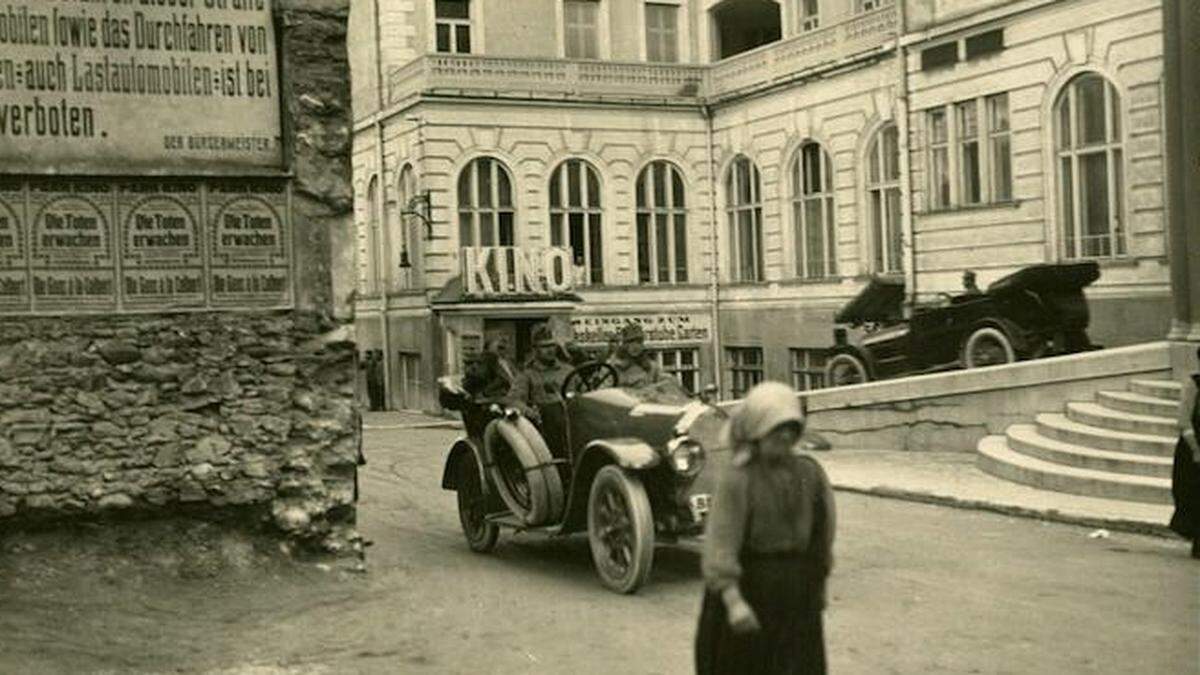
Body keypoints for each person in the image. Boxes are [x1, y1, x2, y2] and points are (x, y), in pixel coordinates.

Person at [695, 381, 836, 675]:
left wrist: (818, 584)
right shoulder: (739, 477)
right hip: (750, 592)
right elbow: (721, 543)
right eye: (775, 427)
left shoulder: (809, 473)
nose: (784, 435)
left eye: (790, 427)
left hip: (797, 594)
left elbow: (821, 535)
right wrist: (733, 602)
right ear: (756, 429)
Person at [504, 323, 575, 423]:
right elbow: (513, 401)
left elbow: (585, 394)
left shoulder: (569, 370)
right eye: (544, 347)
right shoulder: (527, 374)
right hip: (544, 423)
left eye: (552, 345)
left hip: (574, 419)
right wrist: (529, 412)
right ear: (535, 349)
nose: (550, 350)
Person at [1169, 347, 1200, 559]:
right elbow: (1183, 419)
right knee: (1194, 495)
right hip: (1193, 449)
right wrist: (1196, 449)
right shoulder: (1193, 384)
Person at [607, 322, 669, 389]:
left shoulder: (651, 367)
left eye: (639, 342)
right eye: (631, 342)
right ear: (624, 344)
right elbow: (604, 392)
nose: (635, 346)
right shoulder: (613, 366)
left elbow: (664, 384)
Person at [463, 335, 518, 400]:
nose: (503, 350)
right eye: (500, 347)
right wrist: (484, 393)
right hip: (495, 397)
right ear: (489, 347)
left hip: (511, 394)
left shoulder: (508, 361)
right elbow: (501, 379)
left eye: (504, 347)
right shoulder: (488, 359)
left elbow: (513, 377)